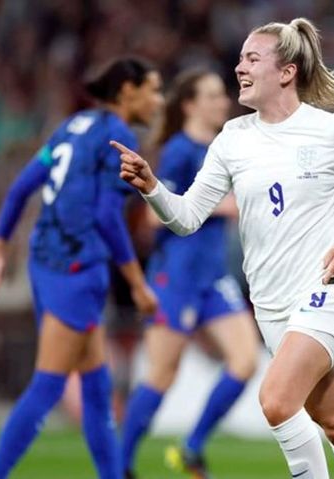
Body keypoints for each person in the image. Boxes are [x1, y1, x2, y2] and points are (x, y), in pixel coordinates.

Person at [113, 18, 334, 479]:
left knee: (276, 401)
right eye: (240, 58)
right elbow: (187, 217)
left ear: (286, 72)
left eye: (252, 58)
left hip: (331, 288)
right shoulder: (233, 139)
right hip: (272, 305)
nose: (239, 68)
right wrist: (152, 186)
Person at [0, 57, 162, 479]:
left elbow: (23, 187)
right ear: (127, 92)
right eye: (153, 89)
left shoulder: (74, 126)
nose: (158, 99)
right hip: (75, 268)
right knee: (50, 384)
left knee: (96, 385)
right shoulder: (119, 137)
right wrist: (137, 283)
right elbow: (107, 217)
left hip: (46, 260)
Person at [120, 69, 259, 479]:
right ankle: (118, 466)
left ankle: (192, 447)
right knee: (162, 374)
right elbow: (152, 213)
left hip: (213, 279)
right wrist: (222, 203)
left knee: (245, 361)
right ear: (190, 105)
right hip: (176, 279)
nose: (223, 102)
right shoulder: (180, 151)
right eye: (213, 96)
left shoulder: (223, 148)